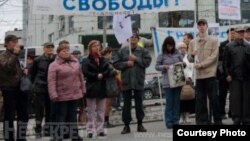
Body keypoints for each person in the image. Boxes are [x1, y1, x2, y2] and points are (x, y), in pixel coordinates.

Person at [113, 32, 152, 134]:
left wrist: (136, 59)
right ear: (128, 40)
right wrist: (126, 63)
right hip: (126, 81)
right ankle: (126, 125)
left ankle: (140, 124)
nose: (134, 38)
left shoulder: (143, 51)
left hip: (138, 80)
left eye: (136, 37)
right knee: (126, 105)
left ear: (138, 40)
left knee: (139, 103)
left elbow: (147, 62)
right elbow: (116, 64)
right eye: (131, 37)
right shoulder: (122, 51)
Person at [48, 40, 85, 141]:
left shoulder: (75, 62)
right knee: (61, 116)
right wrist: (53, 94)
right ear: (58, 52)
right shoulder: (54, 65)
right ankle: (58, 135)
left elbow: (80, 76)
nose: (66, 52)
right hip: (61, 95)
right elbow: (51, 81)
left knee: (72, 115)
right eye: (63, 51)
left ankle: (74, 135)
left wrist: (83, 89)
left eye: (67, 50)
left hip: (74, 93)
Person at [187, 19, 221, 125]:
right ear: (197, 27)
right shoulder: (193, 42)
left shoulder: (214, 40)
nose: (201, 27)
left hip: (210, 73)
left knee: (214, 98)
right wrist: (192, 55)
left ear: (207, 26)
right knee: (200, 99)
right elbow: (189, 58)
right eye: (199, 25)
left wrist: (201, 65)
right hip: (199, 76)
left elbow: (214, 57)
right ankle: (203, 120)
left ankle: (217, 120)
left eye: (203, 25)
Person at [0, 34, 29, 141]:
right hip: (9, 90)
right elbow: (7, 68)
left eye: (17, 41)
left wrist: (23, 72)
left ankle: (21, 137)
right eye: (14, 41)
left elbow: (14, 72)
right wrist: (15, 54)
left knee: (23, 115)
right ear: (7, 43)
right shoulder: (3, 55)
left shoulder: (15, 56)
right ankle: (9, 138)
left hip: (20, 89)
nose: (17, 43)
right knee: (9, 116)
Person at [82, 40, 110, 138]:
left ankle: (100, 129)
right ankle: (90, 130)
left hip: (102, 87)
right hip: (91, 87)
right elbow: (85, 71)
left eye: (98, 46)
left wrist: (102, 74)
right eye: (94, 46)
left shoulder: (103, 59)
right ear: (90, 48)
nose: (97, 47)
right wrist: (95, 75)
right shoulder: (86, 60)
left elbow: (108, 70)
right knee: (90, 111)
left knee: (101, 110)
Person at [155, 36, 184, 129]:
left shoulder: (178, 53)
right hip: (167, 82)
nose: (170, 48)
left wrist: (184, 64)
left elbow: (184, 63)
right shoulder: (161, 55)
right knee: (169, 102)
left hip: (178, 80)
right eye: (168, 46)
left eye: (171, 46)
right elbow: (156, 66)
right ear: (165, 46)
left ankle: (176, 120)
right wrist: (164, 67)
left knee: (176, 102)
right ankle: (169, 121)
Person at [223, 27, 250, 125]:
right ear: (235, 33)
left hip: (246, 77)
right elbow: (225, 63)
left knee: (247, 99)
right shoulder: (229, 46)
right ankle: (236, 118)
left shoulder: (248, 46)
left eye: (243, 32)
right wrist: (227, 74)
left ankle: (246, 118)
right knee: (235, 99)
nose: (241, 34)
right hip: (234, 77)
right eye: (239, 32)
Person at [29, 42, 56, 138]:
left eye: (51, 47)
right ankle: (38, 129)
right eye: (47, 47)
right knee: (39, 110)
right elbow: (32, 74)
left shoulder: (55, 59)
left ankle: (48, 129)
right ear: (44, 49)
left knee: (50, 109)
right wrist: (34, 85)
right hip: (40, 87)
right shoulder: (38, 60)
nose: (50, 49)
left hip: (51, 87)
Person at [217, 28, 235, 120]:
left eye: (233, 33)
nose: (232, 35)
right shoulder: (222, 45)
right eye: (230, 33)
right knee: (222, 95)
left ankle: (232, 112)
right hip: (223, 74)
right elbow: (219, 58)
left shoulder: (237, 45)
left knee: (234, 95)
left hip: (234, 74)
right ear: (227, 34)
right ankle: (221, 113)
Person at [177, 42, 195, 124]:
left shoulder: (189, 57)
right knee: (180, 100)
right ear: (178, 49)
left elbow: (191, 68)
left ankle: (187, 116)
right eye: (181, 48)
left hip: (188, 80)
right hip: (179, 80)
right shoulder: (176, 57)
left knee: (188, 98)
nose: (182, 49)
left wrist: (190, 77)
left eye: (184, 47)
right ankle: (181, 117)